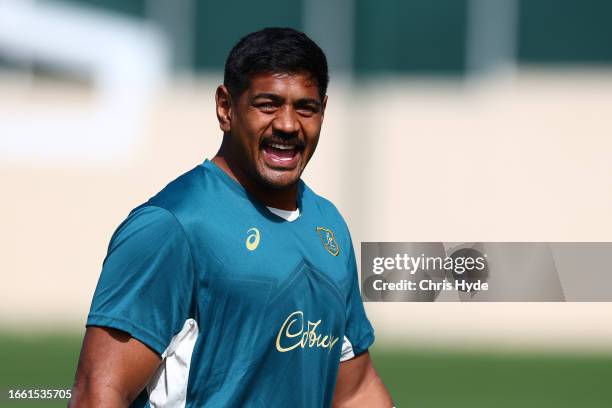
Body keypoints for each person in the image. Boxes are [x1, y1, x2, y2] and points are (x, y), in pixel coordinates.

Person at [70, 27, 393, 407]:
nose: (288, 125)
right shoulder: (173, 226)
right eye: (267, 104)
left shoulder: (328, 226)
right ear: (226, 108)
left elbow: (354, 391)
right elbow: (98, 392)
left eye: (305, 107)